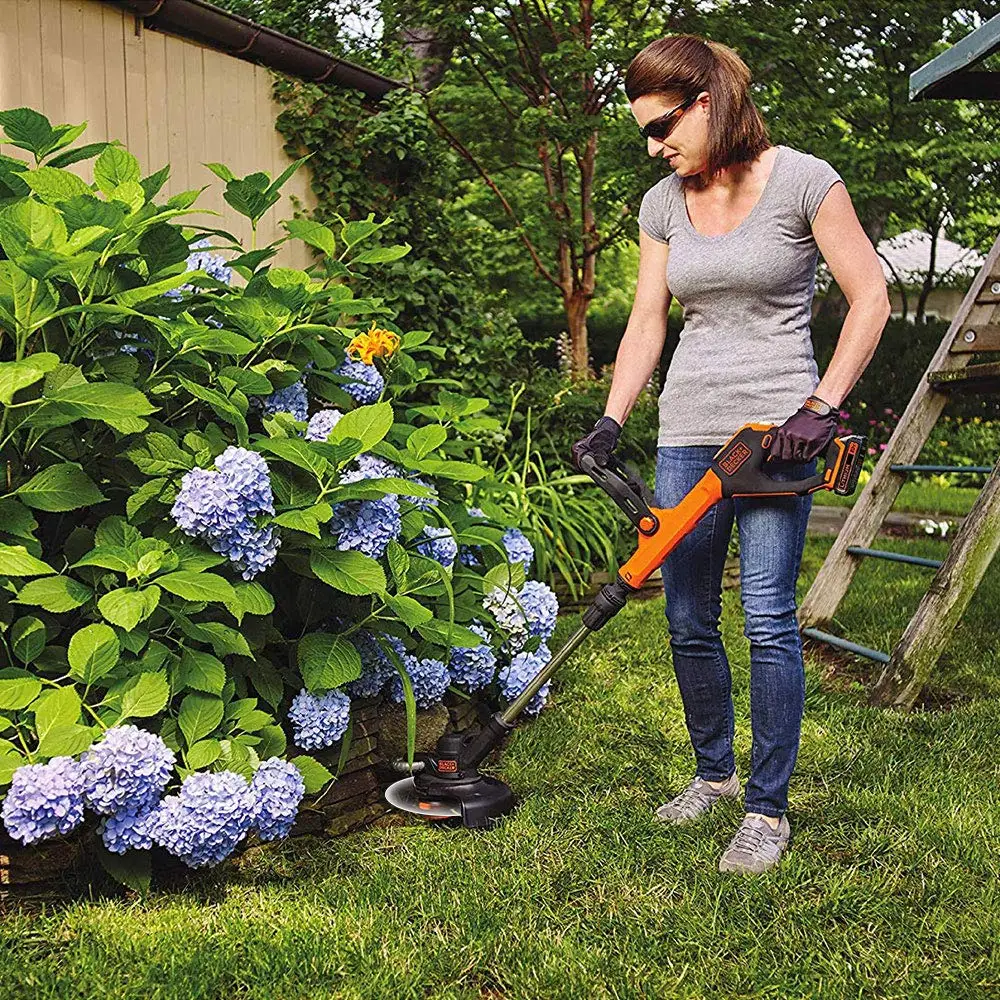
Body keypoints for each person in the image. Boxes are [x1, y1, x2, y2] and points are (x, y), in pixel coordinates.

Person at [572, 34, 890, 874]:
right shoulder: (663, 203)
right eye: (646, 132)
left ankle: (767, 809)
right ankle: (713, 775)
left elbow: (872, 298)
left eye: (663, 126)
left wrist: (821, 407)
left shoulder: (805, 180)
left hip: (775, 438)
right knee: (685, 618)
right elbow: (648, 321)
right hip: (686, 429)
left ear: (708, 101)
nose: (655, 146)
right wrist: (613, 417)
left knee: (768, 619)